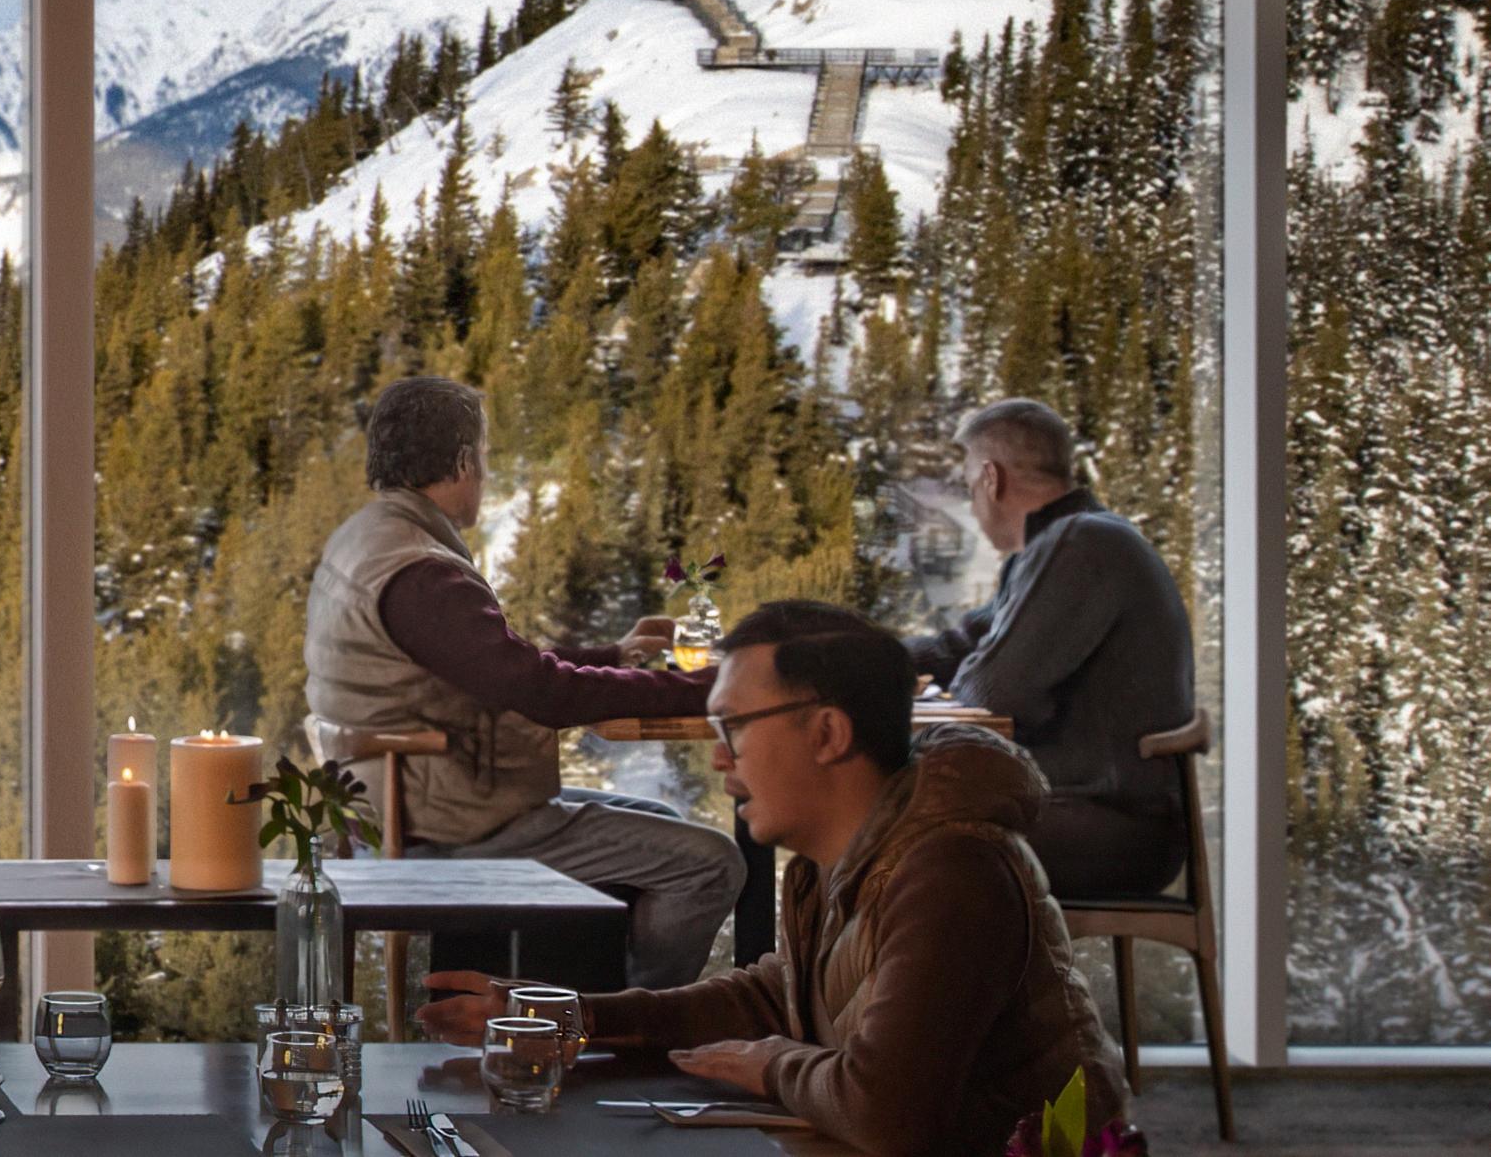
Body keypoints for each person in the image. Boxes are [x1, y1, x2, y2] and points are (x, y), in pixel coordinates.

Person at [425, 602, 1129, 1157]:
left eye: (733, 728)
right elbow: (773, 997)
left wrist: (769, 1067)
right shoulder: (842, 860)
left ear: (827, 734)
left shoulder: (953, 872)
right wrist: (577, 1017)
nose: (719, 761)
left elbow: (886, 1115)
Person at [305, 376, 737, 988]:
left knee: (659, 814)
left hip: (407, 806)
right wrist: (715, 689)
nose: (484, 473)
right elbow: (541, 693)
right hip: (456, 828)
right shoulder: (421, 571)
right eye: (481, 457)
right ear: (460, 462)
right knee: (712, 864)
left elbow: (486, 668)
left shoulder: (369, 541)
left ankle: (595, 1011)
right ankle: (637, 1026)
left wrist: (613, 655)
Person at [901, 400, 1195, 900]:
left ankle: (931, 982)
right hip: (1099, 813)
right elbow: (960, 647)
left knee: (892, 837)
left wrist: (970, 674)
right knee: (881, 826)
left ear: (991, 479)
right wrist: (850, 662)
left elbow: (990, 692)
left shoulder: (1081, 545)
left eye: (972, 485)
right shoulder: (1062, 547)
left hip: (1113, 826)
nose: (974, 503)